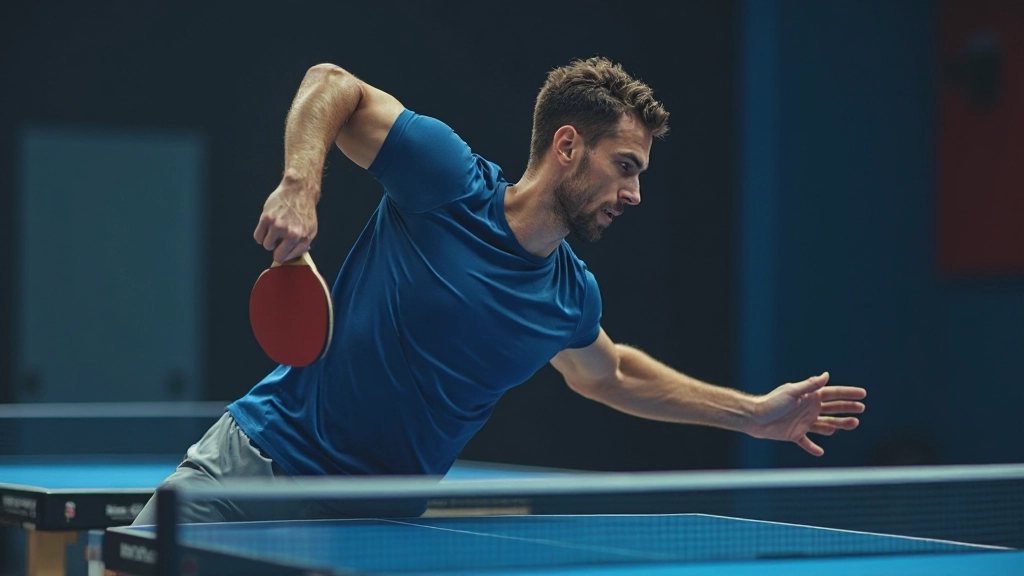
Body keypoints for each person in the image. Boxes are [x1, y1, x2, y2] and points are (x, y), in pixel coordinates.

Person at [133, 57, 866, 525]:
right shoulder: (447, 180)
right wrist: (299, 184)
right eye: (626, 166)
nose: (635, 192)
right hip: (260, 463)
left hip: (369, 529)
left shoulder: (567, 297)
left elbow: (609, 373)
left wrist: (753, 416)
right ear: (568, 145)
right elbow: (331, 85)